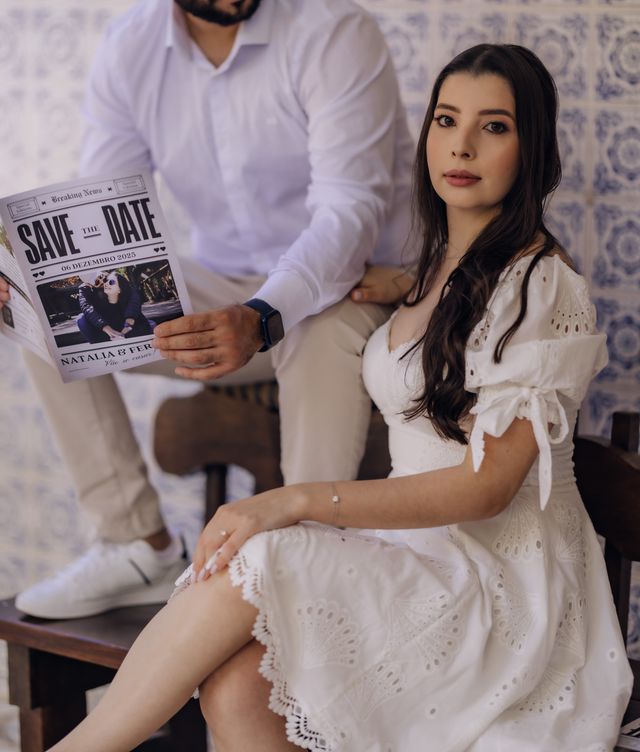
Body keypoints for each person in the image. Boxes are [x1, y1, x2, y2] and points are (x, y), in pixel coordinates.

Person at [44, 44, 633, 752]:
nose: (462, 146)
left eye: (495, 127)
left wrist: (292, 501)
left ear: (532, 147)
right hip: (414, 556)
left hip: (498, 581)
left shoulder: (544, 285)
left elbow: (488, 489)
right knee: (235, 688)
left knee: (263, 551)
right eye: (446, 120)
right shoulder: (433, 270)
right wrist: (400, 284)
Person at [0, 0, 414, 620]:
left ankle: (300, 578)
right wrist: (40, 282)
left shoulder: (335, 33)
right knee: (34, 282)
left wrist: (262, 316)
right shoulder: (127, 53)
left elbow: (349, 214)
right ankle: (135, 543)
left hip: (351, 294)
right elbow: (105, 228)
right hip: (223, 305)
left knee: (320, 320)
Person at [76, 272, 155, 343]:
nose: (102, 282)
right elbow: (87, 308)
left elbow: (133, 297)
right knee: (81, 319)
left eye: (101, 277)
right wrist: (105, 328)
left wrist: (130, 319)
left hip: (125, 317)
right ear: (89, 285)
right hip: (105, 322)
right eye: (97, 282)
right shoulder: (85, 289)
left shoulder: (114, 277)